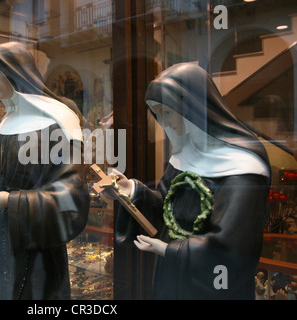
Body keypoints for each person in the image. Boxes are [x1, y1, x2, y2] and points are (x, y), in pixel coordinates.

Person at [107, 63, 271, 299]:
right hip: (170, 277)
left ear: (194, 109)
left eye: (168, 112)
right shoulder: (184, 156)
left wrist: (168, 250)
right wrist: (131, 190)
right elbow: (166, 206)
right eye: (158, 113)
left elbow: (231, 246)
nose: (165, 122)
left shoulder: (243, 167)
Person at [0, 42, 90, 300]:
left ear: (15, 74)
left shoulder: (58, 120)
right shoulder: (8, 120)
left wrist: (12, 202)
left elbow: (71, 194)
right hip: (1, 233)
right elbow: (4, 171)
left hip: (37, 244)